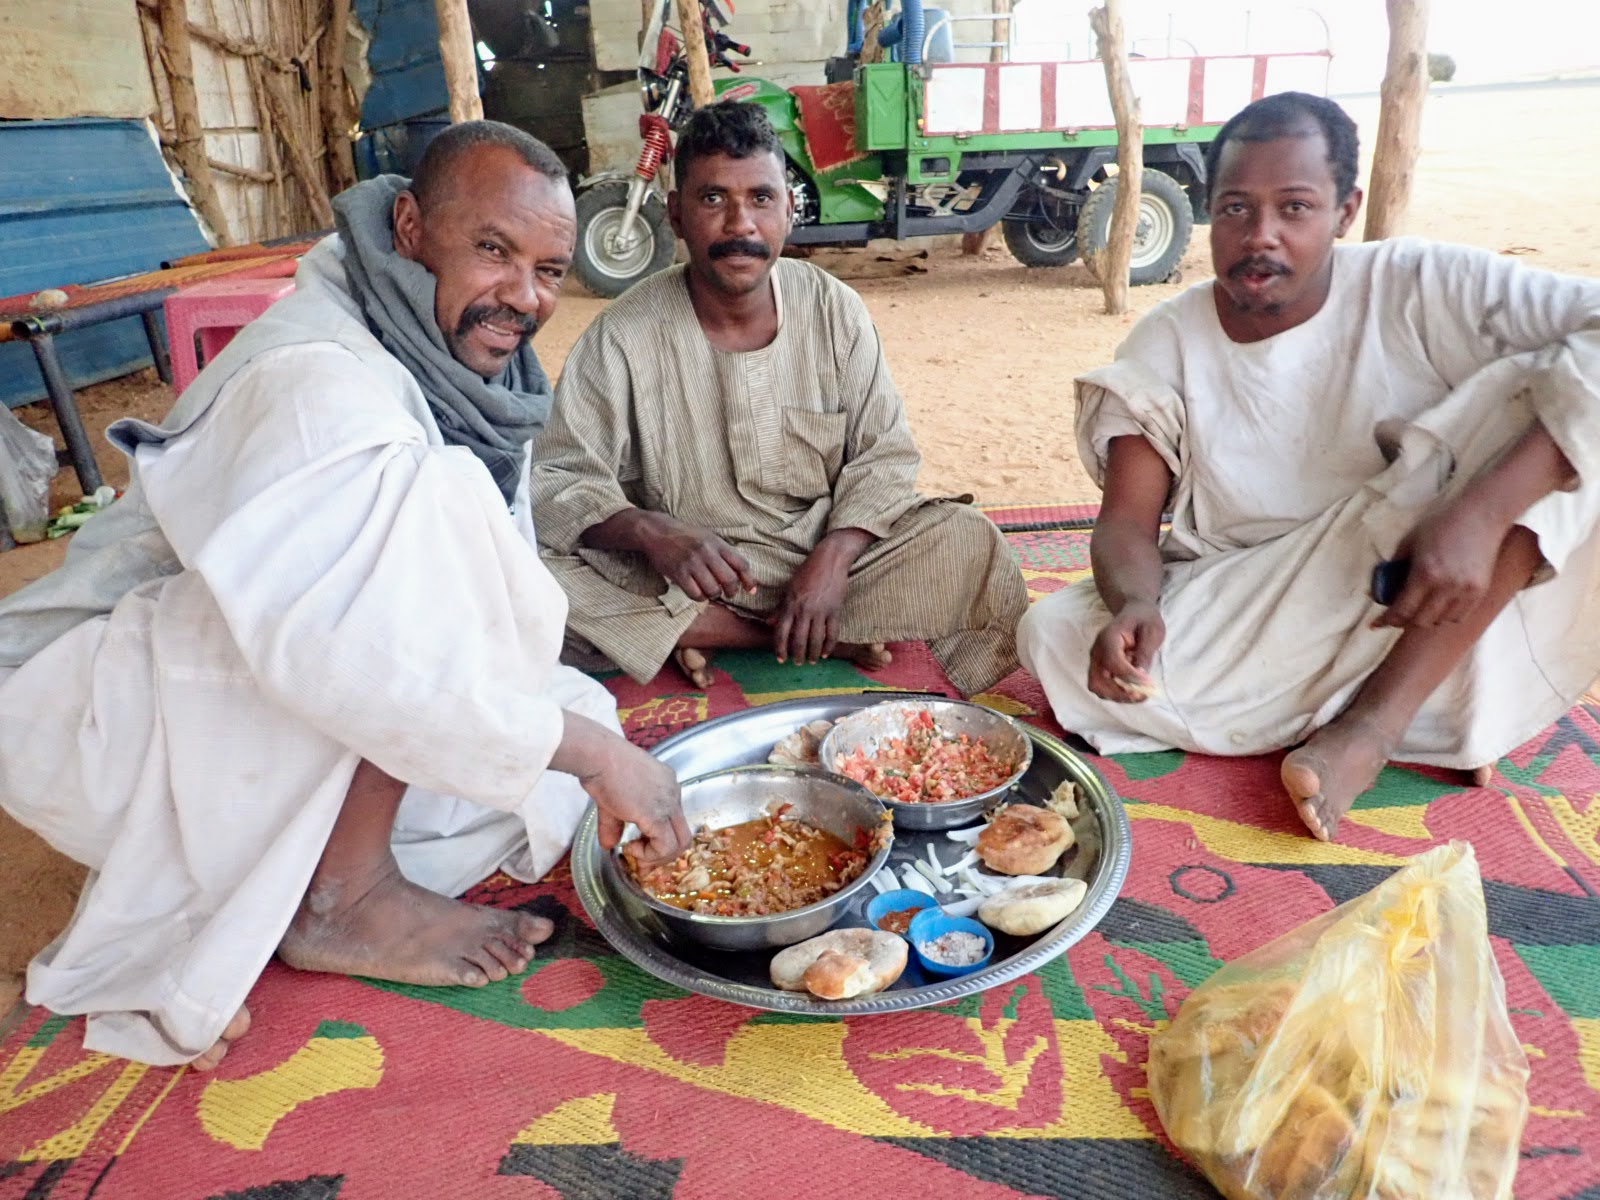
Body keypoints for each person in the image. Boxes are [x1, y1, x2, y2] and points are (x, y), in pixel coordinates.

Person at [0, 121, 690, 1069]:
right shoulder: (318, 384)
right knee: (533, 693)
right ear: (409, 226)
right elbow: (352, 655)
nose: (523, 296)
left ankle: (304, 864)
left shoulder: (442, 353)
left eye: (546, 268)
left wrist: (566, 741)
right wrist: (597, 759)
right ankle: (344, 897)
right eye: (492, 250)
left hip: (232, 689)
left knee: (542, 741)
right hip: (89, 714)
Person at [1017, 92, 1600, 841]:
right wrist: (1135, 603)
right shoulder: (1170, 337)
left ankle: (1377, 726)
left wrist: (1484, 511)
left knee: (1553, 397)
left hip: (1421, 574)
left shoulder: (1421, 285)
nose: (1260, 236)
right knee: (1053, 637)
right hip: (1260, 598)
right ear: (1206, 210)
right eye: (1235, 209)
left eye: (1295, 208)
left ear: (1345, 209)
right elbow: (1128, 521)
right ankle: (1430, 711)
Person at [533, 102, 1028, 696]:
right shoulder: (623, 333)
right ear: (677, 216)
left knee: (967, 539)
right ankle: (774, 633)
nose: (740, 224)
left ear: (789, 211)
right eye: (713, 199)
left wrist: (835, 559)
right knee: (526, 569)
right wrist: (652, 533)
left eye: (761, 199)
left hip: (821, 560)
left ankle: (710, 632)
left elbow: (884, 455)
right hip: (687, 575)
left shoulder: (834, 309)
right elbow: (561, 479)